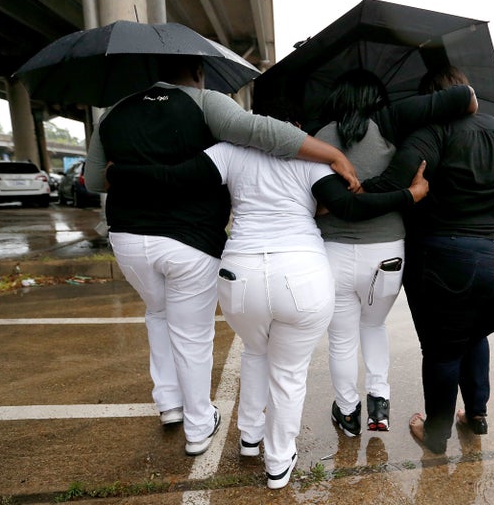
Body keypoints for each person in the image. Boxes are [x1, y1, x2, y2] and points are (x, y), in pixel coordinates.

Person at [105, 99, 430, 488]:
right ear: (292, 130)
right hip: (301, 274)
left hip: (239, 274)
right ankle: (278, 461)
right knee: (289, 372)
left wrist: (120, 171)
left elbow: (172, 179)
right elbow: (348, 206)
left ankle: (249, 435)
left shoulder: (228, 152)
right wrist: (410, 194)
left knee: (255, 351)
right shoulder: (311, 160)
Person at [84, 55, 359, 457]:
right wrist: (332, 155)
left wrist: (128, 170)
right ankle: (199, 426)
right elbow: (257, 130)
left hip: (128, 236)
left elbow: (95, 179)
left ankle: (168, 403)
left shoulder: (112, 112)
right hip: (189, 239)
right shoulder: (205, 101)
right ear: (198, 71)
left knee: (157, 314)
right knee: (192, 334)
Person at [361, 66, 494, 453]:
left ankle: (436, 432)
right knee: (474, 333)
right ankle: (476, 413)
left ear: (430, 100)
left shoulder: (431, 134)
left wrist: (351, 190)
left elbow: (394, 184)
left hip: (451, 260)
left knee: (442, 348)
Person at [313, 69, 477, 435]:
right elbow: (462, 96)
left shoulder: (320, 137)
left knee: (341, 337)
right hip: (387, 251)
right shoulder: (391, 126)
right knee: (374, 325)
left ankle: (348, 412)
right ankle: (379, 406)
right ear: (376, 100)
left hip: (333, 252)